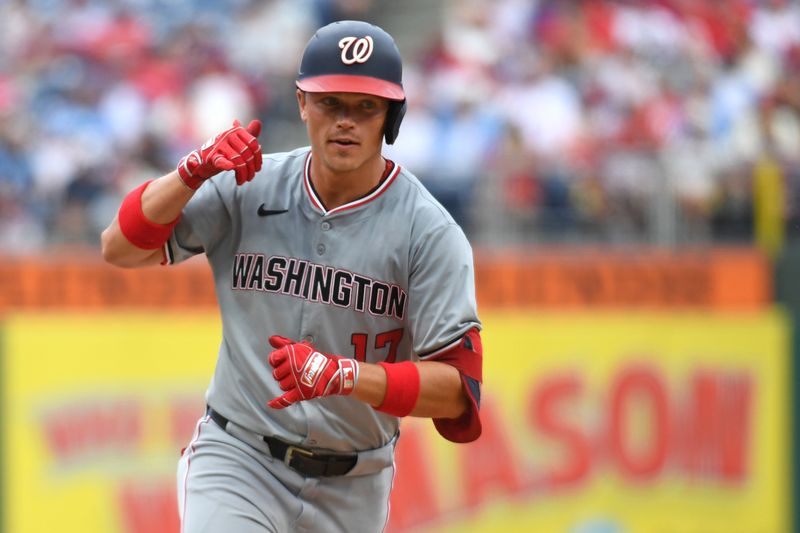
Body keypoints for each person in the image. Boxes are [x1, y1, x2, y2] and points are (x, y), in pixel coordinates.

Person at [101, 20, 483, 533]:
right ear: (302, 104)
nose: (345, 122)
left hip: (355, 480)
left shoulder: (428, 231)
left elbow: (459, 390)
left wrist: (345, 376)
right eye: (331, 103)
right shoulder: (247, 184)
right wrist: (189, 173)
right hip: (240, 457)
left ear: (391, 116)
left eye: (365, 106)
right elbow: (120, 249)